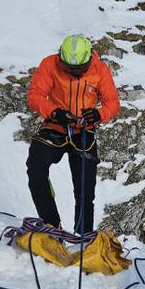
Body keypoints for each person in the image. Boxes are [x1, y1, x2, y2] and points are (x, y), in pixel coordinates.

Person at [26, 34, 120, 234]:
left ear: (89, 58)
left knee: (85, 189)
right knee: (35, 168)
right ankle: (52, 225)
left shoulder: (100, 69)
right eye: (69, 68)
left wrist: (99, 114)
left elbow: (112, 102)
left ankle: (83, 235)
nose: (75, 73)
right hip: (55, 126)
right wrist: (55, 112)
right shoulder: (49, 64)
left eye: (80, 69)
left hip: (84, 131)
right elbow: (35, 96)